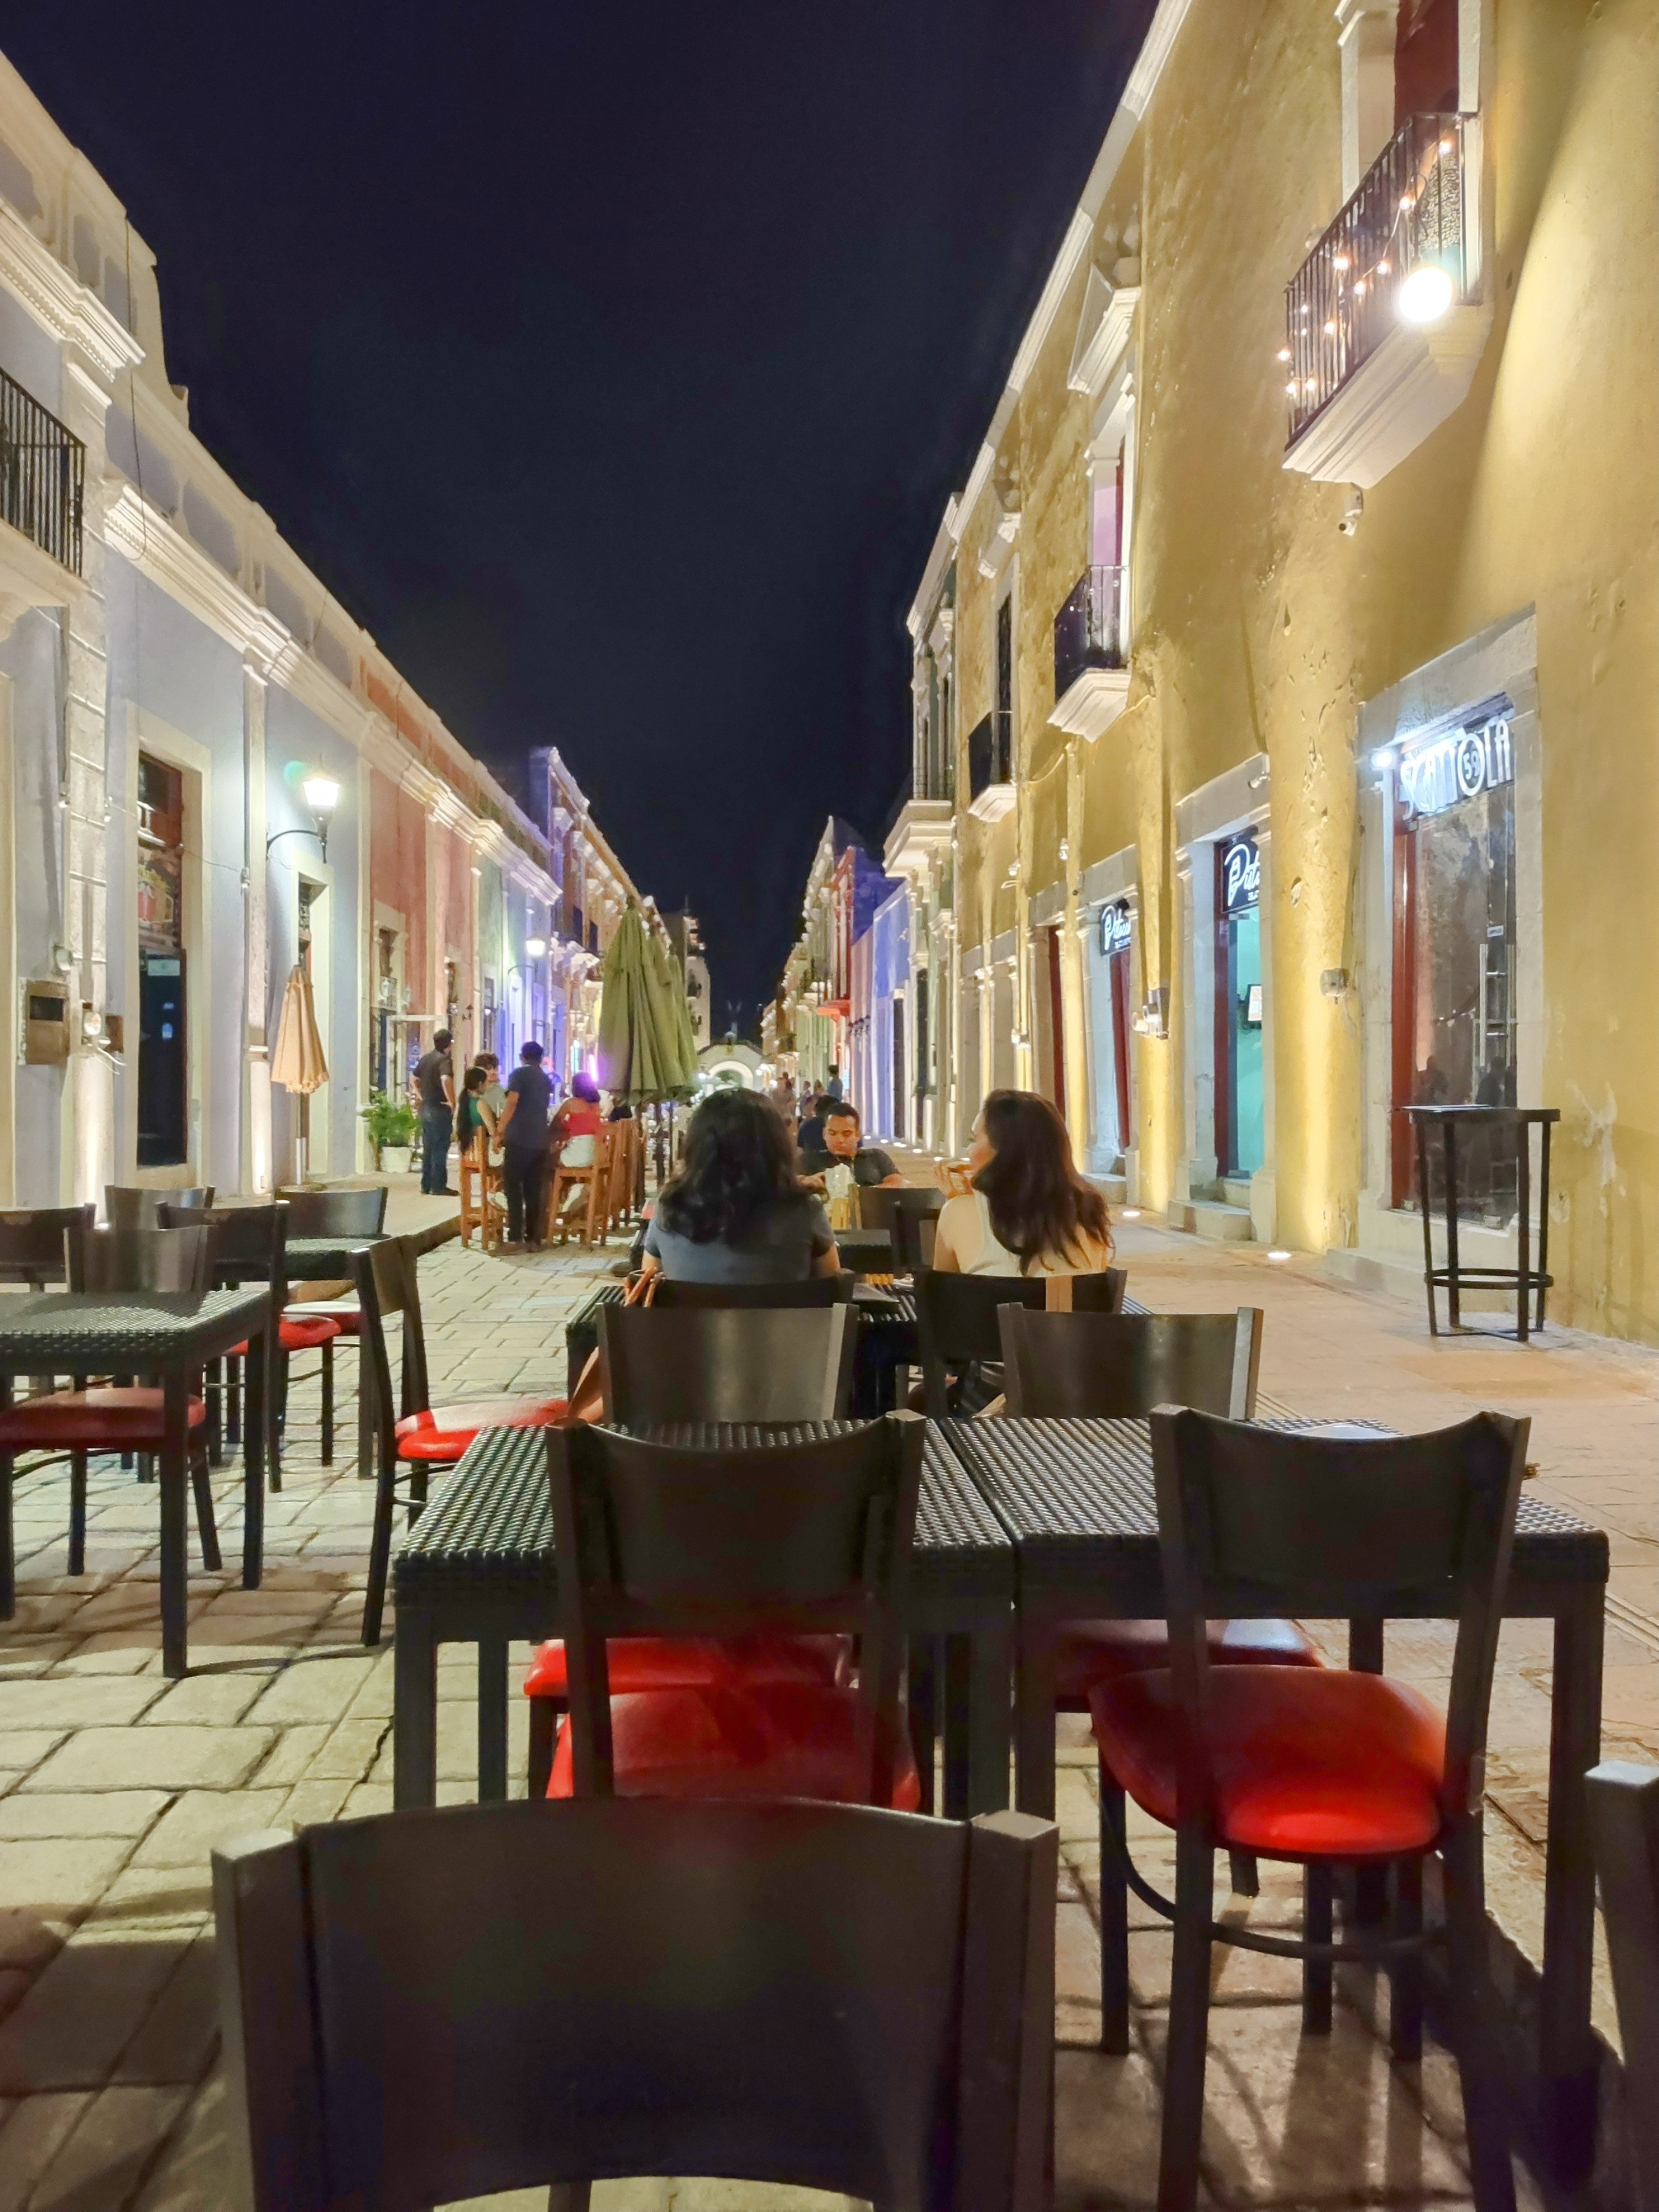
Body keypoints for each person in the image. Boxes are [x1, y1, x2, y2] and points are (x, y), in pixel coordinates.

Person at [638, 1089, 839, 1285]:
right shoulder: (805, 1210)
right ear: (777, 1145)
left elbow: (647, 1282)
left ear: (698, 1146)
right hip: (784, 1320)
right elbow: (831, 1287)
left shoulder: (670, 1208)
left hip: (690, 1319)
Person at [932, 1089, 1113, 1276]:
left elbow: (943, 1295)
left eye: (974, 1139)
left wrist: (960, 1203)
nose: (969, 1151)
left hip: (987, 1305)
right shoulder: (1088, 1212)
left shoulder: (958, 1212)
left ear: (1002, 1151)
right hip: (1063, 1305)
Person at [494, 1040, 554, 1249]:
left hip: (519, 1137)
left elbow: (512, 1102)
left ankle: (515, 1237)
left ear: (523, 1056)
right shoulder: (546, 1079)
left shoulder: (519, 1075)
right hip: (540, 1139)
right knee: (533, 1189)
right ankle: (533, 1237)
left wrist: (500, 1130)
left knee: (513, 1187)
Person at [798, 1102, 903, 1190]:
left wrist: (862, 1194)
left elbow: (896, 1183)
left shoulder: (876, 1156)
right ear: (824, 1134)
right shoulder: (809, 1160)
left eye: (846, 1134)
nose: (839, 1140)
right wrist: (804, 1181)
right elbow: (786, 1182)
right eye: (833, 1133)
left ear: (857, 1135)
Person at [413, 1029, 456, 1197]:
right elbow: (446, 1079)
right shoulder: (445, 1060)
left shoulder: (426, 1059)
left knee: (428, 1147)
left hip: (426, 1107)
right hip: (439, 1107)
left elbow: (414, 1079)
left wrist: (419, 1095)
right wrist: (452, 1101)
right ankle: (438, 1186)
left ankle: (426, 1184)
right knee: (440, 1147)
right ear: (449, 1043)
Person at [455, 1064, 491, 1163]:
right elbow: (492, 1130)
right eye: (486, 1082)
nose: (487, 1086)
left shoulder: (464, 1102)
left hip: (469, 1152)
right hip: (483, 1153)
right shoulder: (481, 1103)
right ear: (480, 1084)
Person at [795, 1091, 827, 1155]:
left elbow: (799, 1150)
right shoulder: (802, 1122)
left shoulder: (805, 1124)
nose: (811, 1107)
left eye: (813, 1105)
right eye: (808, 1105)